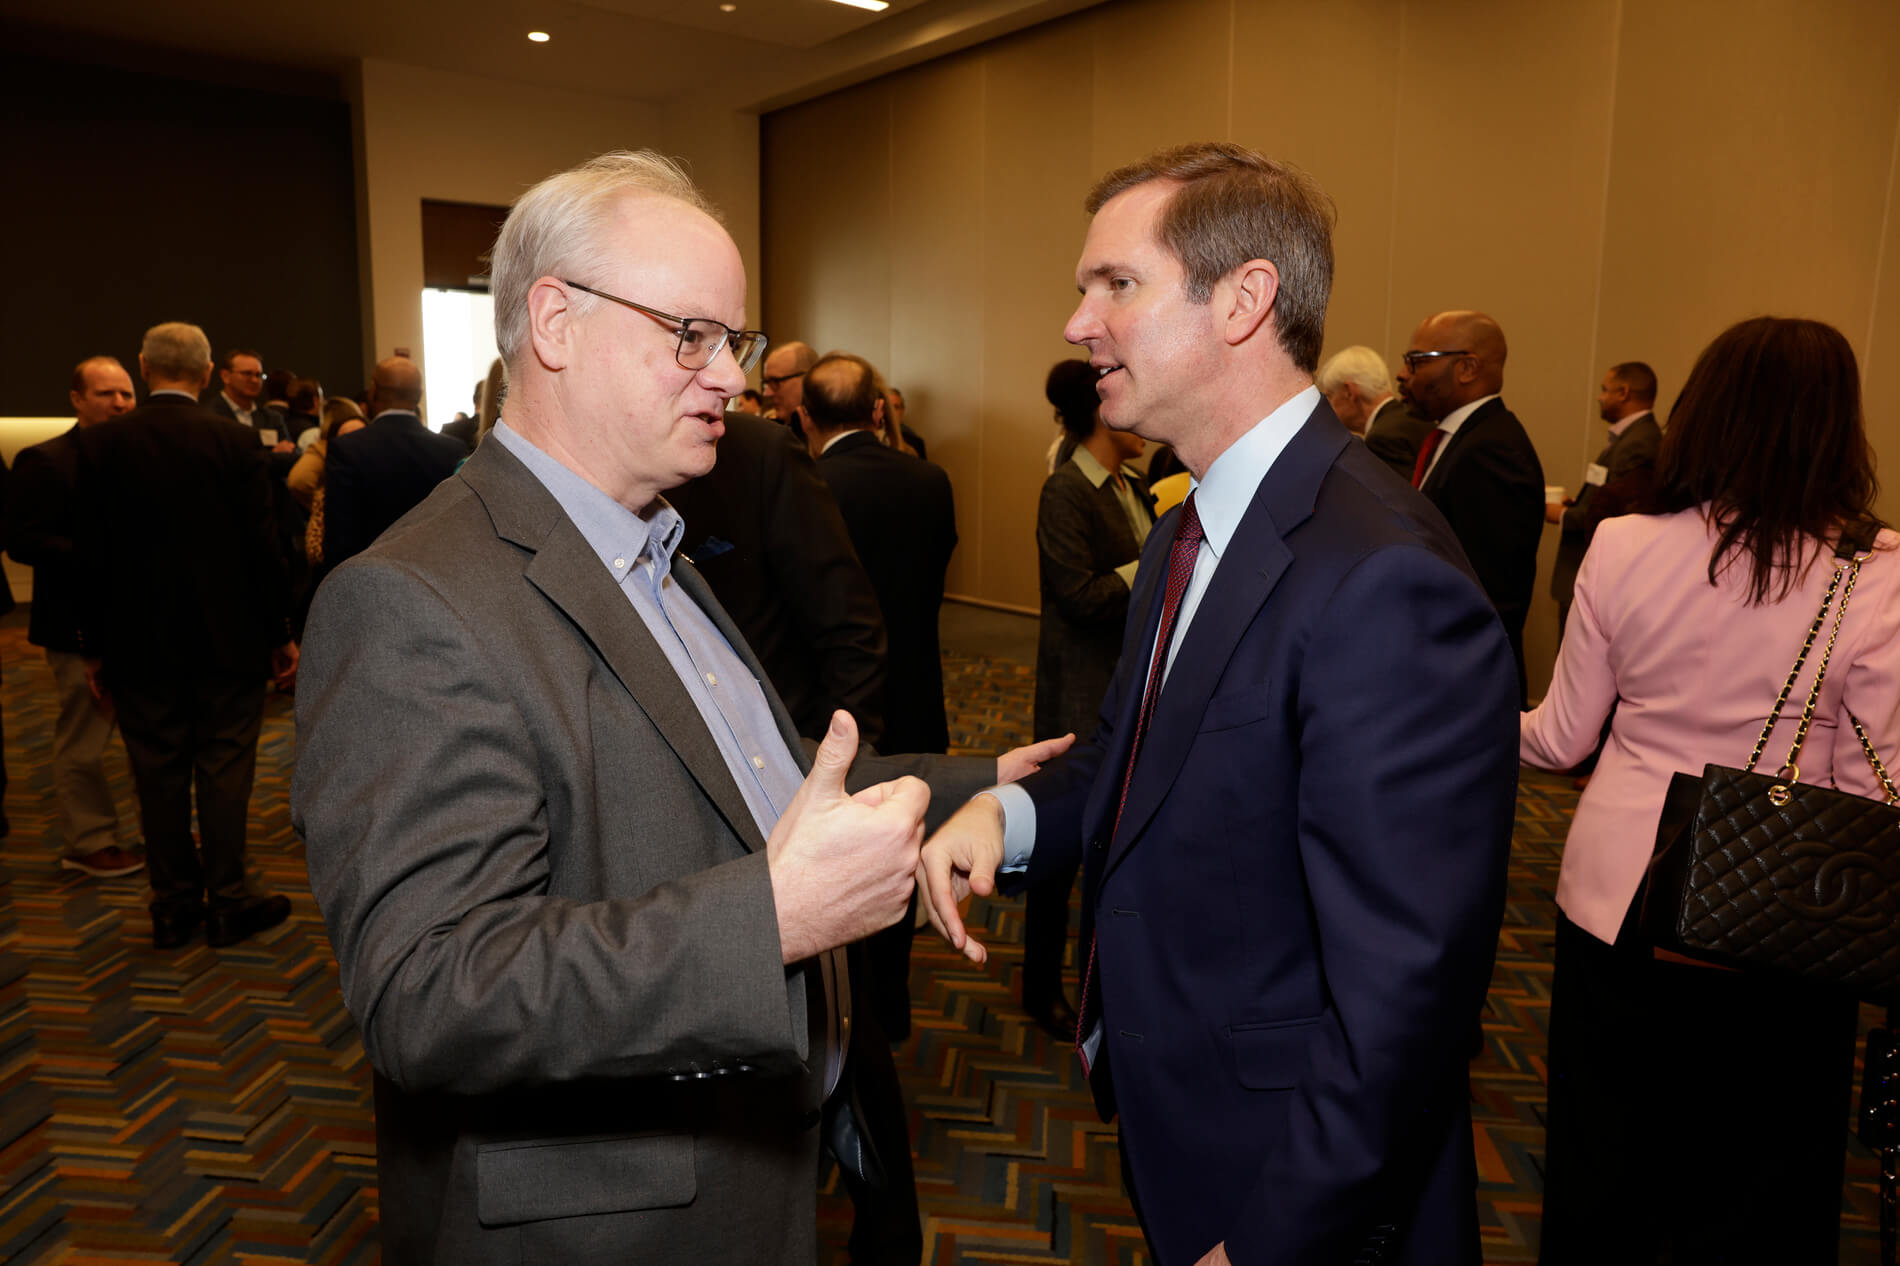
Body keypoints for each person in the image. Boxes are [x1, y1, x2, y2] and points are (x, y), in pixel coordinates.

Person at [292, 150, 1066, 1265]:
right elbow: (430, 992)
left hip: (748, 1171)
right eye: (691, 336)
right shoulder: (411, 600)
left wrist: (978, 785)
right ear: (554, 323)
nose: (733, 380)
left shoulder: (652, 546)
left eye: (735, 341)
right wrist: (774, 920)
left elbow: (757, 775)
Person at [918, 142, 1519, 1266]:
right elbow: (1135, 753)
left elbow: (1406, 998)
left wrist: (1270, 1241)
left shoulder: (1384, 577)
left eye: (1116, 285)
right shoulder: (1189, 531)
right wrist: (1008, 814)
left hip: (1295, 1187)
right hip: (1187, 1126)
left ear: (1243, 300)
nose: (1077, 323)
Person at [1520, 317, 1886, 1265]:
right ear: (1837, 426)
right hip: (1790, 915)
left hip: (1620, 899)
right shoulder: (1879, 575)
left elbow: (1561, 739)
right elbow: (1872, 787)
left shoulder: (1624, 544)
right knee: (1761, 1180)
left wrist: (1457, 713)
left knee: (1608, 1161)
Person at [75, 322, 298, 949]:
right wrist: (281, 634)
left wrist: (92, 645)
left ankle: (173, 906)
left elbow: (89, 556)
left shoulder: (101, 444)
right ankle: (229, 899)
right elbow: (263, 549)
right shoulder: (235, 441)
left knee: (156, 772)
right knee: (225, 768)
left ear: (144, 368)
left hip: (135, 642)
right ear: (205, 373)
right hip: (228, 638)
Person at [1020, 356, 1153, 1041]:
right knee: (1058, 848)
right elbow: (1077, 595)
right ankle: (1039, 986)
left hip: (1122, 689)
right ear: (1102, 412)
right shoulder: (1066, 491)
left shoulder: (1131, 485)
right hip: (1078, 693)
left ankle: (1096, 985)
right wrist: (1153, 565)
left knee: (1109, 845)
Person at [7, 356, 143, 878]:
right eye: (106, 394)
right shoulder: (44, 460)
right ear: (77, 399)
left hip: (141, 621)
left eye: (126, 393)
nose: (119, 403)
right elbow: (22, 541)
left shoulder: (142, 455)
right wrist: (97, 553)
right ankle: (89, 840)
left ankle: (159, 828)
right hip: (73, 624)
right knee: (86, 741)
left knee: (149, 736)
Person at [1398, 310, 1545, 705]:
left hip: (1466, 680)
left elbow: (1492, 590)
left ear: (1466, 368)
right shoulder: (1459, 437)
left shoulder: (1492, 449)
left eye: (1417, 360)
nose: (1404, 373)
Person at [1547, 361, 1662, 638]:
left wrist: (1560, 515)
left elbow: (1620, 514)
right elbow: (1606, 495)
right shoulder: (1628, 437)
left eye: (1604, 389)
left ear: (1623, 393)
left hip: (1597, 575)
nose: (1599, 397)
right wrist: (1576, 505)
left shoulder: (1639, 443)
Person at [318, 356, 465, 570]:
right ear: (419, 395)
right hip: (433, 573)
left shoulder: (347, 449)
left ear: (373, 391)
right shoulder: (451, 450)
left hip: (366, 574)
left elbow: (338, 538)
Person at [1315, 344, 1434, 480]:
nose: (1328, 405)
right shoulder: (1418, 418)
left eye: (1330, 395)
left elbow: (1393, 493)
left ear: (1349, 392)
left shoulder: (1381, 439)